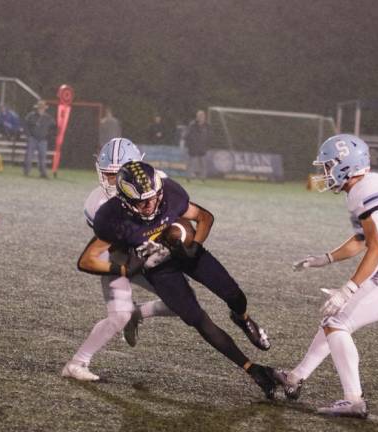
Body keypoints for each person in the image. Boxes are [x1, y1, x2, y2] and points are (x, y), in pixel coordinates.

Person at [77, 160, 277, 399]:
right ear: (126, 200)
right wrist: (123, 269)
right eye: (142, 201)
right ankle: (251, 369)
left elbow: (204, 217)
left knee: (234, 294)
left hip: (184, 252)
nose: (151, 205)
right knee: (197, 318)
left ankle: (242, 319)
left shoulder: (171, 194)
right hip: (158, 268)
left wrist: (195, 247)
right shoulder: (112, 217)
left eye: (154, 197)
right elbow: (86, 260)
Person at [274, 134, 378, 418]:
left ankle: (353, 400)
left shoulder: (364, 190)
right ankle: (294, 378)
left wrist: (348, 288)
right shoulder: (369, 184)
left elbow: (377, 250)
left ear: (345, 164)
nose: (324, 172)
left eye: (329, 165)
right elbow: (361, 239)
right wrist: (326, 259)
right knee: (331, 322)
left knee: (337, 324)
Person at [62, 138, 177, 381]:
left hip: (148, 251)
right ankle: (77, 363)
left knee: (181, 302)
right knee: (118, 316)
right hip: (117, 257)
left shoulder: (159, 183)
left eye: (118, 174)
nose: (111, 182)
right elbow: (113, 244)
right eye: (108, 174)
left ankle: (138, 313)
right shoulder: (98, 203)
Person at [24, 100, 55, 178]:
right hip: (33, 139)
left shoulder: (48, 118)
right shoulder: (31, 116)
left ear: (44, 109)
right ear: (37, 108)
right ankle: (27, 171)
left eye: (42, 108)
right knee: (29, 156)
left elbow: (54, 126)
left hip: (43, 140)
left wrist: (48, 135)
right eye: (40, 108)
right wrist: (29, 136)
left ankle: (43, 173)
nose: (41, 109)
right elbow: (26, 125)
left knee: (42, 157)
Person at [185, 110, 210, 181]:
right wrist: (190, 144)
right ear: (197, 117)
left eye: (202, 116)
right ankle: (188, 177)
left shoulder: (207, 125)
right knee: (191, 163)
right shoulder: (192, 125)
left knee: (203, 164)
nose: (201, 117)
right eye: (200, 116)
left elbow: (209, 136)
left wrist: (207, 145)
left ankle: (203, 178)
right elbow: (188, 135)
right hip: (193, 147)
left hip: (203, 147)